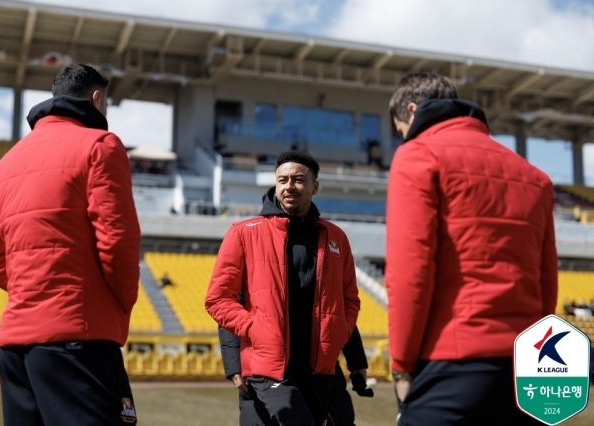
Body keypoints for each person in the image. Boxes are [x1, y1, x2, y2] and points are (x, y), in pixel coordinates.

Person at [386, 72, 557, 426]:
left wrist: (402, 367)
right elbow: (546, 282)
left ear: (413, 111)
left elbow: (409, 274)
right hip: (523, 368)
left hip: (451, 361)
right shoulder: (534, 176)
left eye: (400, 128)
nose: (403, 138)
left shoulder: (418, 155)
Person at [0, 64, 141, 426]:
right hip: (78, 337)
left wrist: (37, 286)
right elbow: (118, 242)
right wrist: (118, 304)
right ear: (97, 99)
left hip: (15, 348)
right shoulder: (101, 145)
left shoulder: (1, 168)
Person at [205, 150, 360, 426]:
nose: (289, 186)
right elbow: (219, 299)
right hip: (268, 364)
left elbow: (349, 299)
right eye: (282, 180)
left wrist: (341, 331)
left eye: (298, 180)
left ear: (315, 186)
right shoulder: (243, 232)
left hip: (318, 367)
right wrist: (255, 329)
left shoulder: (336, 237)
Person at [218, 299, 371, 426]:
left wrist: (357, 361)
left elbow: (336, 309)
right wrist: (234, 364)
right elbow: (231, 303)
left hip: (320, 363)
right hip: (264, 363)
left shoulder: (326, 262)